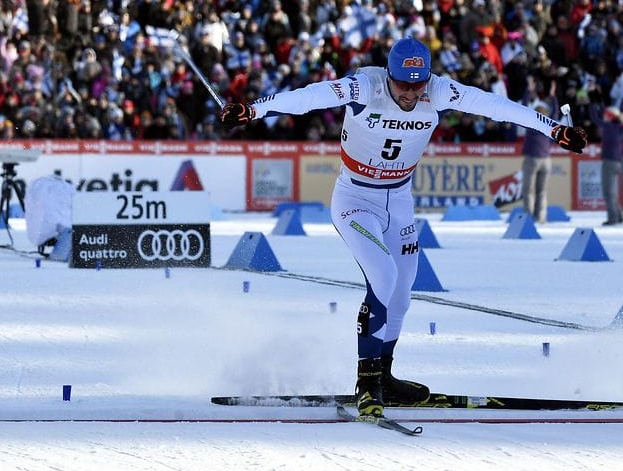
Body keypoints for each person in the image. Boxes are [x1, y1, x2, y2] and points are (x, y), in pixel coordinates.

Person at [220, 37, 587, 418]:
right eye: (403, 84)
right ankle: (367, 382)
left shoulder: (438, 90)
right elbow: (308, 97)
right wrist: (254, 110)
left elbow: (495, 106)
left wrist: (553, 129)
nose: (412, 92)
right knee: (383, 274)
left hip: (399, 201)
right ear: (389, 76)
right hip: (355, 201)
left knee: (403, 291)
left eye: (419, 84)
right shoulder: (365, 86)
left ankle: (386, 375)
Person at [520, 97, 556, 224]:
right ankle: (540, 217)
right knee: (542, 191)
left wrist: (527, 93)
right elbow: (555, 113)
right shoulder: (549, 126)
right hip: (546, 160)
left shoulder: (532, 124)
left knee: (528, 190)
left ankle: (528, 218)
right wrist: (553, 97)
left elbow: (523, 109)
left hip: (532, 159)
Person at [596, 105, 623, 225]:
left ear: (610, 116)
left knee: (609, 192)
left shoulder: (608, 126)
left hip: (609, 162)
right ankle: (618, 215)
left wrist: (592, 102)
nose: (604, 116)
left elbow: (594, 117)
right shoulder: (619, 127)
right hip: (619, 160)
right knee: (613, 192)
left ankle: (613, 218)